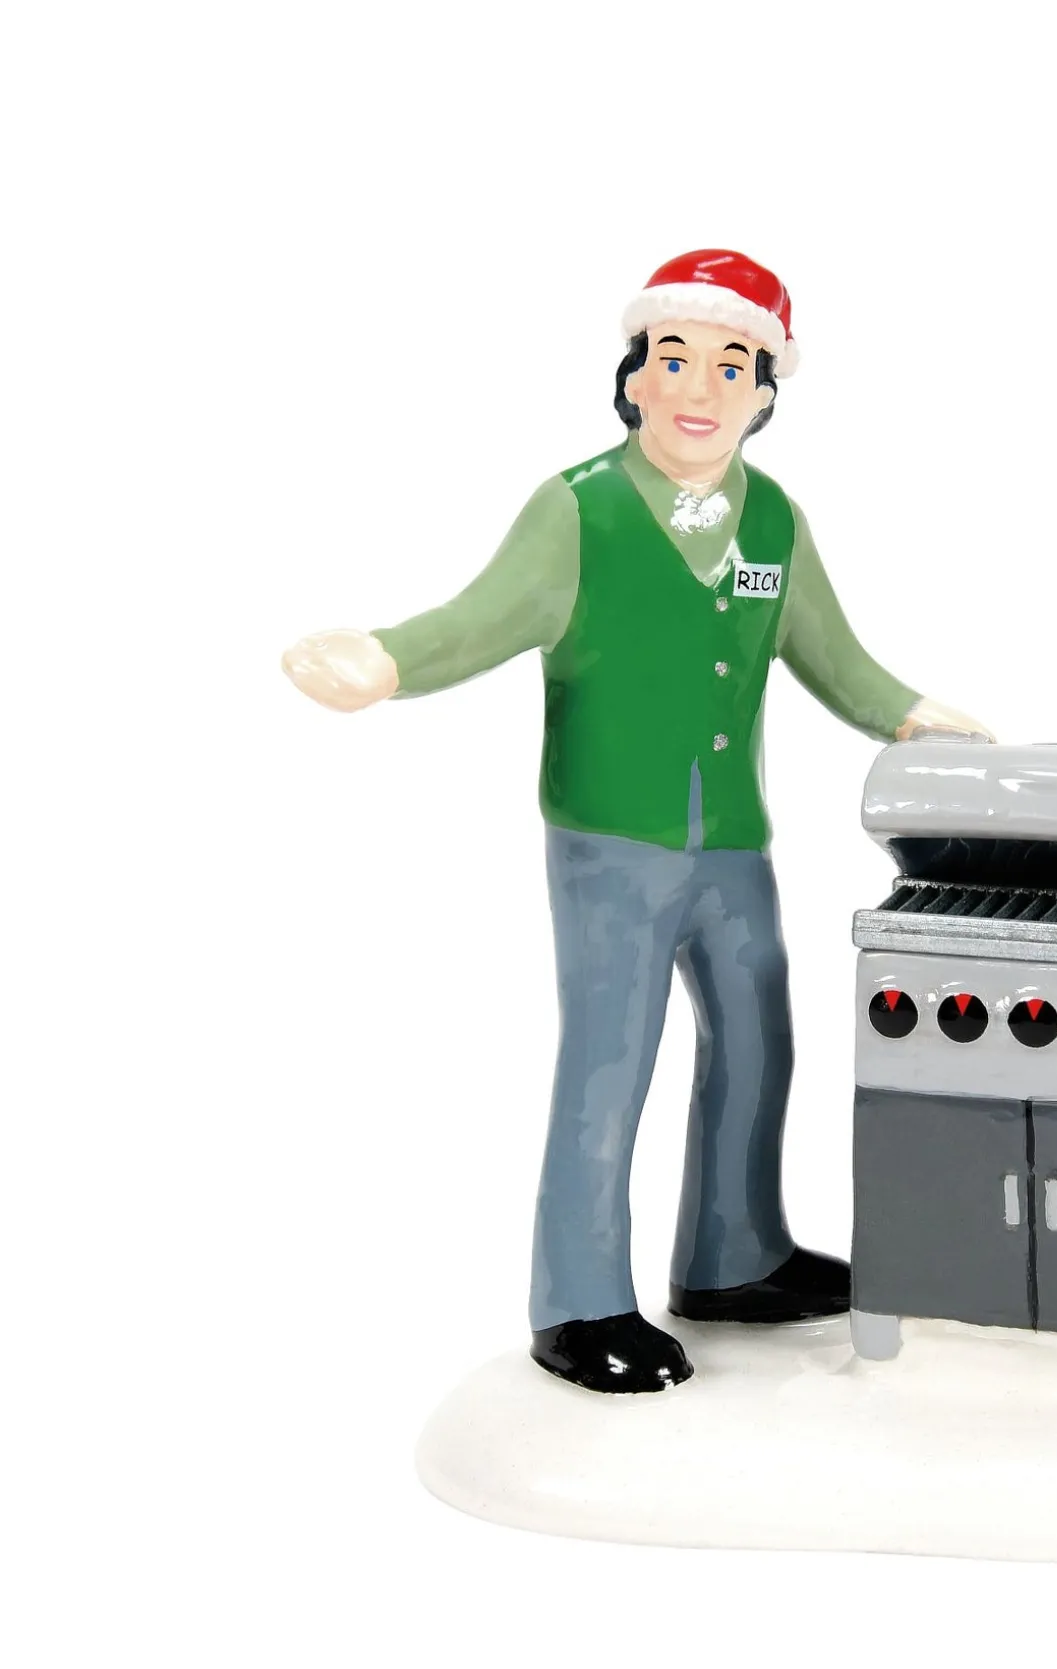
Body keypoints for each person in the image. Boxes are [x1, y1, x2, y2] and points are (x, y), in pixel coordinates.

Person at [282, 249, 991, 1393]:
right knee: (611, 1059)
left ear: (764, 393)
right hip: (612, 837)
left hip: (733, 839)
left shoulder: (774, 521)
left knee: (759, 1037)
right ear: (634, 379)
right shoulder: (580, 510)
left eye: (731, 365)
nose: (699, 388)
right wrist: (385, 660)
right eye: (675, 359)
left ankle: (734, 1254)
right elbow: (482, 617)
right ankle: (578, 1301)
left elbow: (832, 655)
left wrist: (909, 715)